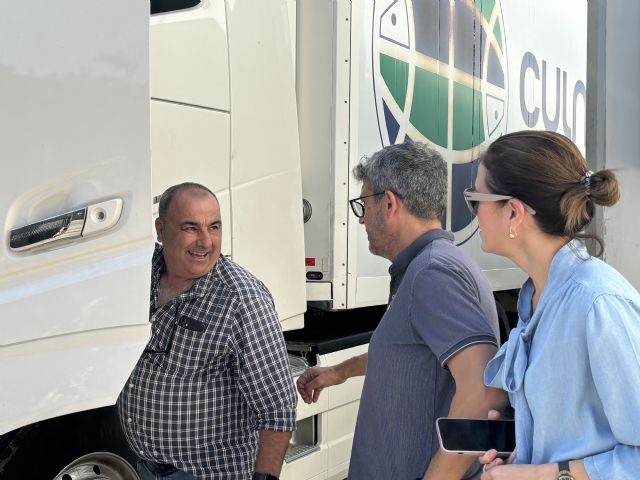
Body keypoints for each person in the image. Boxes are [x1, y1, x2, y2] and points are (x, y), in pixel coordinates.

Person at [296, 142, 507, 479]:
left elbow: (484, 390)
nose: (362, 219)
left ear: (389, 203)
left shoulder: (432, 273)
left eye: (363, 205)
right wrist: (341, 371)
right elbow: (410, 352)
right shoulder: (431, 266)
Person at [465, 130, 640, 480]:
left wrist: (546, 473)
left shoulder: (598, 304)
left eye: (475, 199)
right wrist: (522, 453)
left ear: (513, 212)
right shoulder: (536, 299)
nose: (473, 212)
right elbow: (579, 434)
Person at [118, 182, 296, 480]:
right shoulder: (141, 271)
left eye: (214, 227)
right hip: (145, 467)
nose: (205, 241)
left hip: (210, 473)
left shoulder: (241, 299)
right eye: (190, 227)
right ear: (160, 230)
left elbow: (277, 406)